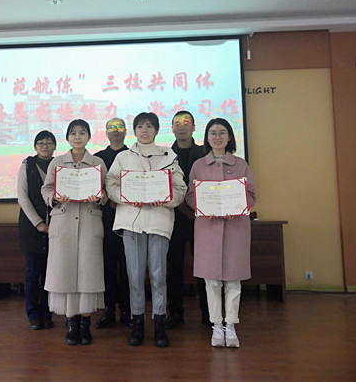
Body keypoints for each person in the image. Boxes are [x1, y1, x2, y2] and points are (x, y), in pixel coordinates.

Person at [106, 112, 187, 347]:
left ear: (156, 130)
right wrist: (127, 197)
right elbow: (111, 184)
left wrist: (165, 198)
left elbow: (180, 189)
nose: (144, 130)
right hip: (131, 222)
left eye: (149, 126)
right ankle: (138, 324)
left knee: (158, 275)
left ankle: (159, 324)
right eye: (140, 126)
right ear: (134, 131)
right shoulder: (123, 157)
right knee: (134, 275)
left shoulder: (169, 156)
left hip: (159, 221)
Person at [185, 118, 256, 348]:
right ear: (207, 138)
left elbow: (251, 195)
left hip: (235, 228)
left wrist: (235, 207)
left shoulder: (241, 164)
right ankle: (216, 325)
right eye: (213, 133)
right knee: (212, 281)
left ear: (229, 137)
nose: (217, 137)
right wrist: (206, 208)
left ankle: (231, 325)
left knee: (234, 281)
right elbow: (190, 195)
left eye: (222, 132)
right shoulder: (198, 165)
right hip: (208, 228)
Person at [41, 119, 108, 346]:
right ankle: (71, 324)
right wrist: (54, 197)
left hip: (89, 221)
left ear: (89, 136)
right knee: (66, 273)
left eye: (82, 132)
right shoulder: (57, 162)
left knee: (88, 275)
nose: (77, 137)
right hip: (64, 221)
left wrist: (100, 197)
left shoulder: (97, 162)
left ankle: (85, 325)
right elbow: (46, 188)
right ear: (67, 137)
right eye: (73, 133)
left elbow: (106, 191)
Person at [165, 111, 210, 329]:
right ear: (172, 129)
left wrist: (195, 209)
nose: (181, 126)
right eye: (177, 123)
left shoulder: (205, 153)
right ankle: (175, 312)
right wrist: (184, 208)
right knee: (174, 268)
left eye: (186, 123)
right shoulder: (165, 155)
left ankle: (208, 312)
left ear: (193, 127)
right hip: (173, 218)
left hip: (202, 219)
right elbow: (164, 186)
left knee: (204, 267)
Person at [17, 130, 56, 331]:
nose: (45, 146)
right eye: (41, 142)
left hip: (56, 228)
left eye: (49, 142)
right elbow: (23, 197)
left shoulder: (59, 165)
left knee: (51, 274)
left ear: (55, 146)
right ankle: (33, 314)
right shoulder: (27, 165)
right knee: (33, 273)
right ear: (35, 146)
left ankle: (47, 313)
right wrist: (39, 223)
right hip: (32, 228)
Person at [94, 118, 131, 329]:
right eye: (111, 127)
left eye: (119, 127)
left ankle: (126, 310)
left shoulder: (133, 155)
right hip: (104, 218)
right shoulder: (97, 158)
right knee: (106, 266)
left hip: (128, 217)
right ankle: (108, 309)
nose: (115, 131)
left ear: (126, 131)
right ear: (106, 133)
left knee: (127, 267)